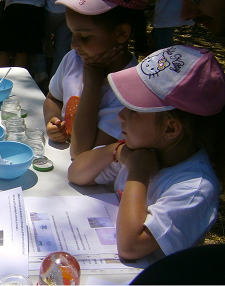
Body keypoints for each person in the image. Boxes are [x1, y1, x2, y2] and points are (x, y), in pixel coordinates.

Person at [68, 45, 225, 260]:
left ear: (170, 128)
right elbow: (76, 173)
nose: (121, 115)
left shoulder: (194, 188)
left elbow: (130, 247)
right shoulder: (142, 149)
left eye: (133, 110)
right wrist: (118, 151)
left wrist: (137, 174)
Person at [43, 0, 143, 159]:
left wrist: (92, 83)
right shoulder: (73, 60)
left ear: (122, 33)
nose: (73, 45)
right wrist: (53, 121)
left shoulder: (132, 89)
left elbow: (81, 153)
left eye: (85, 37)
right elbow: (53, 98)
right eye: (72, 34)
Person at [31, 0, 72, 88]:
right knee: (63, 45)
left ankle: (40, 72)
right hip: (68, 9)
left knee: (38, 39)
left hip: (51, 8)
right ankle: (56, 79)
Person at [0, 0, 46, 69]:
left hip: (13, 8)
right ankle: (8, 77)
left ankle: (0, 77)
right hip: (32, 10)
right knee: (22, 51)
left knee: (5, 50)